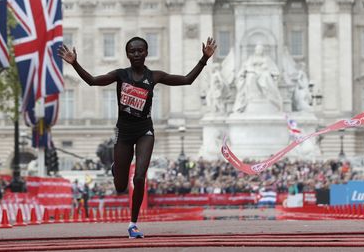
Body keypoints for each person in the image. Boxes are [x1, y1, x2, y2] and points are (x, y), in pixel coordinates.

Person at [59, 36, 216, 238]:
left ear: (146, 53)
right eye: (132, 51)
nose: (136, 54)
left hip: (145, 131)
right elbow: (92, 81)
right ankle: (117, 168)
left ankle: (133, 224)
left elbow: (187, 80)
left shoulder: (154, 76)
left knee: (140, 177)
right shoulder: (120, 75)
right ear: (127, 54)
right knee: (120, 186)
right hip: (124, 133)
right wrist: (75, 63)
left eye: (140, 50)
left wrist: (204, 58)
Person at [233, 44, 282, 113]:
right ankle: (252, 97)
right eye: (258, 49)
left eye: (261, 49)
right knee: (250, 77)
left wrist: (266, 68)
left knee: (266, 77)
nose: (259, 51)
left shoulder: (266, 58)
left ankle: (268, 96)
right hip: (253, 72)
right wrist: (252, 69)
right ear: (255, 50)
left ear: (262, 51)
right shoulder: (251, 58)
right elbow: (246, 67)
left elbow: (272, 68)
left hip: (264, 72)